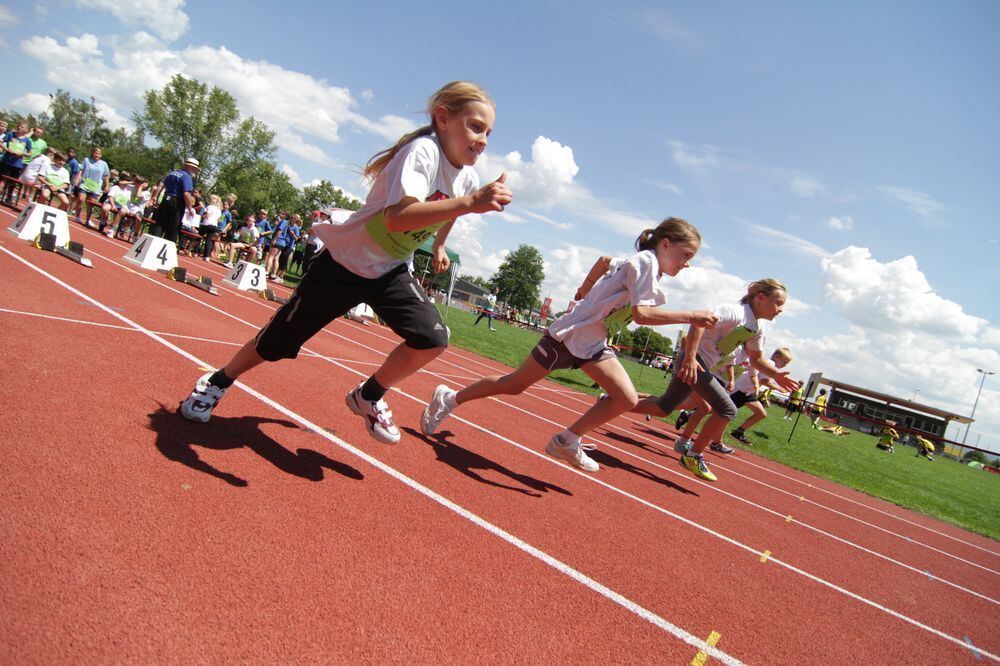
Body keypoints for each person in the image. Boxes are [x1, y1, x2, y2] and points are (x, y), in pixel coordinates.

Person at [180, 81, 512, 446]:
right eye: (476, 127)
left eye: (489, 133)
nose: (483, 140)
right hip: (343, 265)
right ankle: (217, 381)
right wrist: (470, 203)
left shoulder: (466, 178)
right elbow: (399, 218)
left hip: (390, 271)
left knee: (432, 339)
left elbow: (450, 212)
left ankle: (368, 394)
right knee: (276, 344)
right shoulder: (423, 152)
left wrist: (441, 246)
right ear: (443, 118)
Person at [420, 217, 716, 472]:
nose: (687, 264)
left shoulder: (639, 263)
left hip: (592, 343)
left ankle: (566, 440)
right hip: (568, 337)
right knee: (513, 384)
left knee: (626, 398)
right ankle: (449, 399)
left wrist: (585, 291)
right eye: (686, 254)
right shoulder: (645, 263)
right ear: (665, 244)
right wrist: (692, 315)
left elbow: (603, 261)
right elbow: (643, 314)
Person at [628, 279, 800, 482]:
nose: (780, 310)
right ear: (760, 298)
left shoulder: (757, 327)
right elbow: (698, 322)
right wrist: (690, 358)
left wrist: (776, 374)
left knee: (663, 407)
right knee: (727, 410)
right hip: (695, 361)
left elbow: (757, 359)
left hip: (702, 365)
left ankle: (613, 402)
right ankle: (692, 456)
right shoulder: (735, 312)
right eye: (778, 303)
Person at [729, 347, 794, 445]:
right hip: (740, 390)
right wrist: (780, 389)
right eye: (784, 362)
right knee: (721, 413)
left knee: (761, 413)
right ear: (776, 357)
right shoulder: (770, 364)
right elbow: (764, 381)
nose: (785, 365)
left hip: (748, 392)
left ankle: (738, 432)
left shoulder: (767, 364)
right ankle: (699, 415)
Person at [148, 157, 200, 243]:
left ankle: (154, 243)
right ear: (192, 167)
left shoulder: (172, 173)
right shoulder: (187, 177)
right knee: (174, 226)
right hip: (176, 201)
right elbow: (186, 194)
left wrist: (155, 197)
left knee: (160, 223)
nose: (195, 171)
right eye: (195, 169)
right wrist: (190, 208)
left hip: (166, 198)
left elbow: (161, 185)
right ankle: (168, 246)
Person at [69, 147, 110, 226]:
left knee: (90, 204)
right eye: (95, 153)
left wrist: (106, 186)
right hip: (85, 183)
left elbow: (106, 176)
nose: (96, 155)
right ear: (92, 153)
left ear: (101, 155)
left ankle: (88, 220)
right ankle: (77, 216)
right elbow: (81, 170)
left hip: (95, 187)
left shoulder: (104, 164)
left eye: (98, 154)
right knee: (81, 199)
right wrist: (77, 179)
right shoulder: (86, 160)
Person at [1, 121, 33, 206]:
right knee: (2, 179)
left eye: (22, 127)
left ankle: (9, 197)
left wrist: (22, 153)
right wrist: (7, 149)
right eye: (19, 126)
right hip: (6, 161)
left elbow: (30, 153)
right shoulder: (10, 134)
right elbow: (1, 143)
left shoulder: (27, 140)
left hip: (17, 164)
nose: (20, 128)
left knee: (12, 182)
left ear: (26, 129)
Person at [198, 194, 224, 261]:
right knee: (209, 241)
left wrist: (201, 216)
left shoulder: (209, 207)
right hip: (214, 225)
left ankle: (195, 251)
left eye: (212, 198)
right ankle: (207, 256)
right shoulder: (219, 210)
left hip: (206, 224)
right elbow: (219, 220)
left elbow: (207, 215)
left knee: (198, 237)